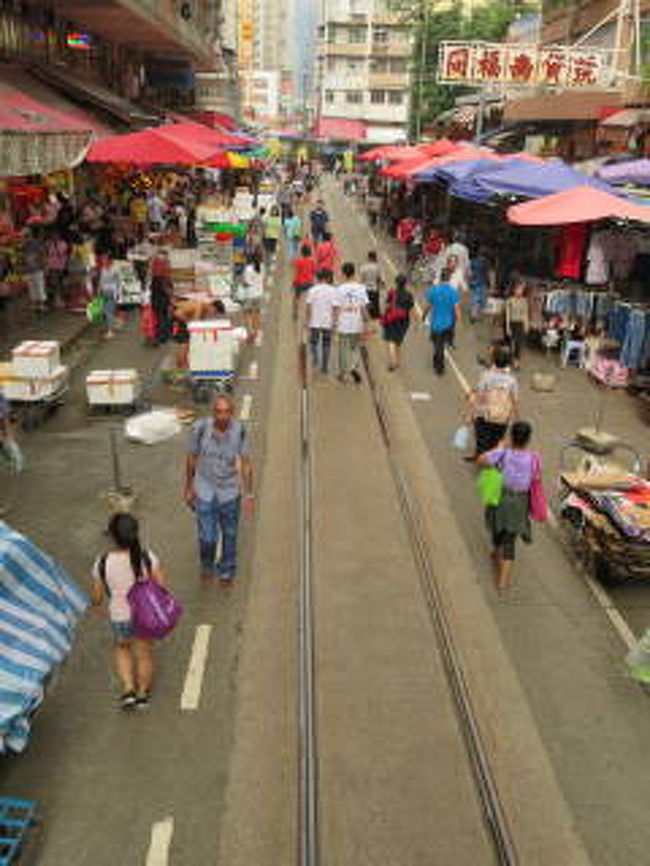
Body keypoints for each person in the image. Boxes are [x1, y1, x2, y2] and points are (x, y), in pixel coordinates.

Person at [91, 513, 166, 709]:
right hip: (144, 617)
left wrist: (97, 606)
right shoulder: (147, 557)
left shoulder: (102, 561)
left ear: (113, 537)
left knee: (122, 648)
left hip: (119, 617)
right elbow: (161, 585)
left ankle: (128, 689)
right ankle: (142, 694)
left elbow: (97, 596)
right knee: (144, 654)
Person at [184, 395, 254, 586]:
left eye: (226, 412)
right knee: (207, 537)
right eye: (218, 412)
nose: (222, 416)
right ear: (213, 412)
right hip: (204, 489)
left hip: (230, 492)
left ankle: (227, 570)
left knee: (230, 533)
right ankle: (207, 564)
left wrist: (249, 494)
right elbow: (191, 458)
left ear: (232, 414)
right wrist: (189, 487)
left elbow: (246, 463)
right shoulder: (199, 429)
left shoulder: (240, 430)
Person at [478, 421, 541, 591]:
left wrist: (498, 447)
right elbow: (536, 478)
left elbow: (481, 461)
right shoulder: (534, 458)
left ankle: (497, 558)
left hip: (500, 497)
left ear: (511, 437)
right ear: (528, 439)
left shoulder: (502, 453)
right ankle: (503, 582)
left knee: (497, 528)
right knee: (510, 539)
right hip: (520, 502)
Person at [467, 345, 519, 458]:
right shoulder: (512, 380)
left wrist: (471, 414)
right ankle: (492, 461)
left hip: (484, 415)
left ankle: (482, 460)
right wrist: (515, 417)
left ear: (494, 360)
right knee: (496, 441)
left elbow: (479, 397)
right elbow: (514, 400)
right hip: (502, 418)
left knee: (482, 440)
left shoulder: (486, 376)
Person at [421, 266, 460, 376]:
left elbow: (427, 307)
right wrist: (456, 320)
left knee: (438, 346)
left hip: (436, 324)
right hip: (448, 324)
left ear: (440, 278)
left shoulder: (433, 291)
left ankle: (439, 367)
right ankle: (437, 362)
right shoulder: (453, 292)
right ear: (449, 278)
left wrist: (423, 317)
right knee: (441, 345)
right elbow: (457, 311)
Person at [335, 262, 369, 385]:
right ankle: (353, 366)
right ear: (354, 273)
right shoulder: (361, 288)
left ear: (344, 273)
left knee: (343, 350)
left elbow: (336, 308)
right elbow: (364, 308)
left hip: (343, 324)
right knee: (355, 348)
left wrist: (334, 323)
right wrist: (366, 323)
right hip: (357, 324)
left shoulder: (339, 289)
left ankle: (342, 374)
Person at [305, 268, 339, 375]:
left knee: (313, 343)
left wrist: (307, 321)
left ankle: (315, 359)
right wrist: (334, 322)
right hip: (327, 322)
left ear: (318, 278)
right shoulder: (333, 290)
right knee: (326, 344)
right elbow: (335, 308)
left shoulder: (312, 290)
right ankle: (324, 366)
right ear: (327, 278)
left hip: (314, 322)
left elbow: (308, 307)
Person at [381, 273, 414, 371]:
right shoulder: (409, 294)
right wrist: (416, 323)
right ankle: (398, 361)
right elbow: (411, 309)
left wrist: (384, 315)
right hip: (404, 321)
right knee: (398, 341)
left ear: (396, 282)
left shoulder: (392, 292)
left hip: (392, 319)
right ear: (405, 283)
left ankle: (393, 361)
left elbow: (386, 305)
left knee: (391, 340)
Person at [239, 254, 264, 344]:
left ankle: (250, 333)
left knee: (246, 314)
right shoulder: (261, 267)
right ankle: (256, 332)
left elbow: (247, 283)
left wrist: (242, 282)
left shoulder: (248, 269)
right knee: (257, 314)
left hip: (250, 295)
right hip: (259, 293)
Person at [505, 280, 530, 368]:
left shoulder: (524, 301)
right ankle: (509, 360)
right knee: (511, 344)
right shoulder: (509, 301)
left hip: (520, 324)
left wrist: (526, 325)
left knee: (519, 344)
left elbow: (525, 314)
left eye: (521, 289)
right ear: (514, 290)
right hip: (512, 323)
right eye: (518, 289)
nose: (520, 291)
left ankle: (516, 362)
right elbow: (508, 315)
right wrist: (507, 327)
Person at [22, 227, 47, 312]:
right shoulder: (23, 246)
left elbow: (43, 255)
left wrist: (44, 266)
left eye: (27, 235)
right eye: (24, 236)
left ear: (31, 235)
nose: (25, 237)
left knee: (39, 286)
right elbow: (22, 258)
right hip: (28, 269)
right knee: (31, 287)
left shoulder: (36, 244)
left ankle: (41, 304)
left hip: (37, 268)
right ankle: (34, 303)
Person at [97, 254, 121, 339]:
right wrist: (99, 291)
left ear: (110, 261)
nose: (103, 261)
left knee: (108, 312)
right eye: (103, 259)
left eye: (105, 259)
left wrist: (118, 293)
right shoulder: (103, 269)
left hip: (111, 292)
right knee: (106, 311)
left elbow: (118, 282)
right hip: (104, 292)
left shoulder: (115, 270)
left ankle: (110, 331)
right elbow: (101, 281)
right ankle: (112, 326)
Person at [292, 242, 316, 321]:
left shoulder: (298, 262)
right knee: (310, 300)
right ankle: (309, 315)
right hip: (310, 282)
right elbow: (314, 272)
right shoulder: (312, 261)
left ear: (302, 253)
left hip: (300, 283)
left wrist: (294, 282)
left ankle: (295, 313)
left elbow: (297, 273)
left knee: (296, 298)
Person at [359, 250, 383, 320]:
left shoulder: (363, 268)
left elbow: (361, 279)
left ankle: (366, 317)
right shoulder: (377, 267)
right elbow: (379, 278)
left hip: (366, 289)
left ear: (368, 258)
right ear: (374, 258)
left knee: (366, 305)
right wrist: (381, 284)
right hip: (374, 289)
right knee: (375, 306)